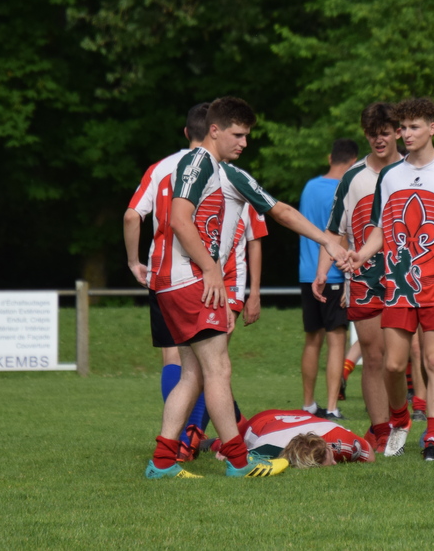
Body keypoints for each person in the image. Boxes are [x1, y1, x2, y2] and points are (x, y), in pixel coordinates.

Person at [145, 97, 347, 479]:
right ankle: (239, 462)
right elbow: (179, 220)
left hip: (184, 282)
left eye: (247, 135)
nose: (244, 142)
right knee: (218, 369)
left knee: (193, 374)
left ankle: (162, 462)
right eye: (237, 134)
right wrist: (211, 270)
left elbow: (281, 211)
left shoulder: (229, 174)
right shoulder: (196, 163)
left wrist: (328, 241)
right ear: (214, 130)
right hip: (189, 281)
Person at [343, 97, 434, 461]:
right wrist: (361, 255)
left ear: (432, 128)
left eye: (414, 127)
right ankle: (400, 418)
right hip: (399, 286)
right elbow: (382, 228)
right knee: (393, 364)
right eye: (402, 127)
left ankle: (433, 438)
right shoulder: (390, 176)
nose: (406, 134)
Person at [124, 102, 212, 461]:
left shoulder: (160, 167)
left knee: (173, 358)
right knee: (209, 360)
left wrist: (133, 261)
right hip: (201, 273)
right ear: (217, 130)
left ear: (186, 131)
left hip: (161, 273)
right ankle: (192, 434)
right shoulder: (219, 169)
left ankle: (177, 438)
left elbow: (132, 216)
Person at [316, 102, 403, 454]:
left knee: (403, 358)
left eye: (385, 133)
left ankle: (409, 421)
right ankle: (381, 430)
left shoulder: (413, 171)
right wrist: (322, 271)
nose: (379, 140)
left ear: (398, 132)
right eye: (372, 134)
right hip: (364, 278)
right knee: (373, 354)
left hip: (406, 277)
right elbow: (334, 231)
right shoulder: (352, 177)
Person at [299, 138, 359, 420]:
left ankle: (308, 404)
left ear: (330, 158)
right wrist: (348, 279)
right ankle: (332, 406)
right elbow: (341, 233)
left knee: (312, 340)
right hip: (334, 273)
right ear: (353, 163)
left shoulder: (309, 187)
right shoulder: (345, 189)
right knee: (337, 341)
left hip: (307, 273)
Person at [202, 409, 375, 467]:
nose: (336, 463)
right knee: (231, 440)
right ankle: (213, 442)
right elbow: (232, 456)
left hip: (300, 415)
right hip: (262, 422)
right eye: (332, 461)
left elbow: (369, 454)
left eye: (332, 458)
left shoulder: (343, 442)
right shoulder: (268, 447)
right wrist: (224, 450)